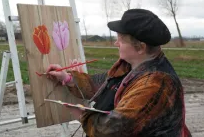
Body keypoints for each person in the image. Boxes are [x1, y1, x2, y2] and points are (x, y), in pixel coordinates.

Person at [46, 9, 191, 137]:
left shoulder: (156, 84)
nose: (116, 43)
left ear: (140, 47)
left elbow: (112, 130)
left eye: (121, 40)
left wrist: (83, 116)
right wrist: (68, 78)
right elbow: (101, 85)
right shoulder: (131, 66)